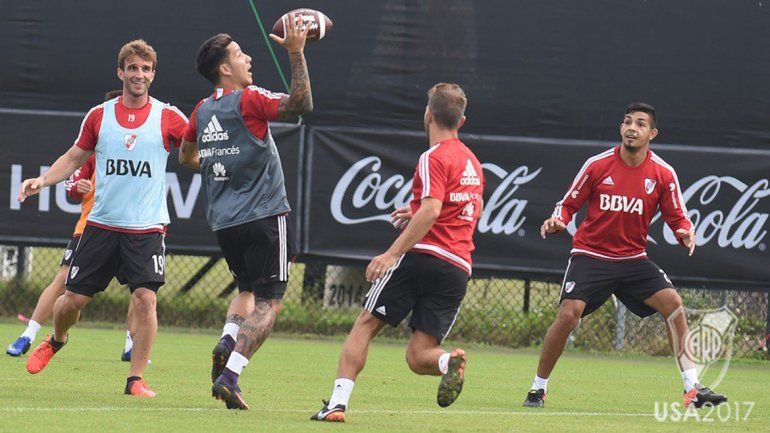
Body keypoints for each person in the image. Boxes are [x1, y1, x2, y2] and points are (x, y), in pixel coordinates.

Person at [523, 102, 727, 409]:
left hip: (632, 260)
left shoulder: (663, 173)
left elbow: (678, 218)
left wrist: (685, 231)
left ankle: (692, 388)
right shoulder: (597, 164)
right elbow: (567, 204)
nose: (632, 128)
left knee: (673, 305)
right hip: (590, 255)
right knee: (568, 315)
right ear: (621, 128)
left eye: (641, 124)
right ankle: (538, 389)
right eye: (627, 122)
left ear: (652, 133)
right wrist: (558, 220)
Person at [18, 40, 187, 397]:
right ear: (120, 72)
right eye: (133, 68)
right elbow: (74, 157)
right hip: (101, 226)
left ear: (153, 75)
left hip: (146, 229)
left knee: (146, 299)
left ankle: (135, 379)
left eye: (145, 69)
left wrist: (225, 163)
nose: (138, 74)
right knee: (71, 302)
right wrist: (43, 181)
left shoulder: (169, 116)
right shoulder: (100, 115)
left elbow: (195, 149)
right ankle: (57, 339)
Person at [310, 83, 484, 422]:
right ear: (462, 122)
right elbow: (459, 210)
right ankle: (448, 361)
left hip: (421, 256)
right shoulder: (474, 163)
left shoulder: (433, 156)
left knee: (365, 325)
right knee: (419, 356)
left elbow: (433, 211)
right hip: (457, 266)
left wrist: (391, 254)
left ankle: (337, 404)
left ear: (428, 115)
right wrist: (415, 208)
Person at [178, 17, 313, 410]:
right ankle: (231, 373)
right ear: (225, 69)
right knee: (271, 302)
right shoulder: (250, 99)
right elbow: (301, 104)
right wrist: (297, 51)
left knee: (246, 292)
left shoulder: (202, 111)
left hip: (225, 223)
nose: (249, 58)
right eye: (239, 54)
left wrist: (220, 160)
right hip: (266, 216)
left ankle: (226, 339)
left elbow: (185, 156)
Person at [6, 91, 141, 361]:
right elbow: (71, 183)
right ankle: (29, 335)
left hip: (135, 228)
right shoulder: (95, 148)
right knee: (63, 282)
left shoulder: (145, 145)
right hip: (91, 228)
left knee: (143, 290)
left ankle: (131, 345)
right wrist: (79, 188)